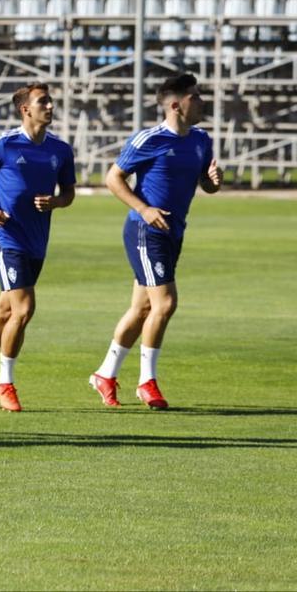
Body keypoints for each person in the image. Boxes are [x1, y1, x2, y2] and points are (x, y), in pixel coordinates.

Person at [89, 73, 221, 408]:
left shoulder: (201, 140)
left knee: (142, 308)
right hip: (145, 231)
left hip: (174, 231)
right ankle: (147, 381)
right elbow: (113, 177)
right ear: (176, 105)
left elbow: (205, 184)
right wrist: (144, 208)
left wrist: (213, 182)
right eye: (195, 96)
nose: (202, 100)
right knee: (165, 304)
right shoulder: (148, 139)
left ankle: (105, 373)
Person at [0, 83, 76, 412]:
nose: (50, 106)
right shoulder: (4, 144)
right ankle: (5, 383)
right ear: (25, 109)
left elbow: (68, 194)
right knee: (23, 310)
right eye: (43, 101)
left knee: (5, 312)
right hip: (7, 238)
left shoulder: (60, 150)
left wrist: (55, 202)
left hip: (37, 241)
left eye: (50, 100)